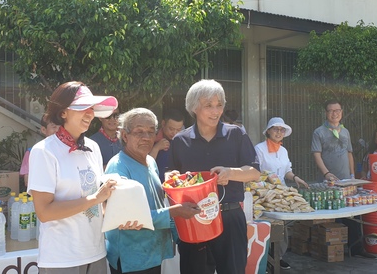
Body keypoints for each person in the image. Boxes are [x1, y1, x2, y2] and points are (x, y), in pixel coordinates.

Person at [27, 81, 138, 273]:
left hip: (96, 252)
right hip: (61, 258)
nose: (90, 114)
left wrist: (121, 216)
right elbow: (44, 212)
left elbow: (97, 203)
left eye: (92, 108)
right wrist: (95, 198)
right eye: (82, 108)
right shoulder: (44, 151)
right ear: (63, 113)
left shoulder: (92, 147)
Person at [167, 79, 261, 274]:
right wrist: (173, 177)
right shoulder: (180, 141)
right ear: (193, 107)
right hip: (193, 218)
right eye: (208, 105)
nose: (215, 111)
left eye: (219, 105)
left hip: (230, 216)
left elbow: (254, 173)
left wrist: (230, 172)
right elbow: (171, 179)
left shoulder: (236, 134)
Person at [105, 108, 200, 274]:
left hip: (151, 253)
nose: (146, 137)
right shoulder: (118, 167)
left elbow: (154, 199)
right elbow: (129, 217)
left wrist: (173, 185)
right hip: (131, 258)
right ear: (125, 136)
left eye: (151, 132)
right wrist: (175, 212)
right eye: (139, 132)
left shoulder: (150, 161)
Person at [311, 99, 376, 259]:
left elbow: (349, 154)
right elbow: (316, 155)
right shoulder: (319, 132)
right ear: (326, 113)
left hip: (347, 180)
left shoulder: (345, 131)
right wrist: (326, 173)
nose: (335, 113)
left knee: (353, 213)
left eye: (337, 110)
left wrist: (353, 175)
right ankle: (334, 249)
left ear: (342, 112)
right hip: (329, 182)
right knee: (334, 213)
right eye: (331, 110)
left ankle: (356, 248)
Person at [255, 117, 308, 270]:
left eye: (281, 130)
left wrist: (296, 178)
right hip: (265, 194)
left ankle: (278, 257)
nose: (279, 132)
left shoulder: (283, 151)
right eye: (275, 129)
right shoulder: (259, 149)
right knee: (267, 226)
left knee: (282, 226)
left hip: (281, 194)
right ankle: (265, 259)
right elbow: (256, 172)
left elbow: (287, 171)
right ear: (268, 131)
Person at [19, 115, 61, 188]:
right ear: (43, 130)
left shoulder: (69, 151)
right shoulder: (32, 152)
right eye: (54, 127)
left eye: (60, 128)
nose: (57, 130)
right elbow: (28, 181)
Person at [149, 108, 184, 178]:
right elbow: (146, 165)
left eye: (178, 130)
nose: (174, 133)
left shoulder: (183, 140)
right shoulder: (152, 138)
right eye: (171, 129)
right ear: (163, 124)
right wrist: (156, 148)